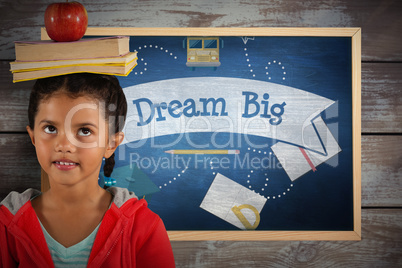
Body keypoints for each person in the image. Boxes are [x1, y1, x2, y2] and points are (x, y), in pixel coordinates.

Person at [0, 73, 176, 267]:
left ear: (111, 144)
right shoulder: (5, 226)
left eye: (85, 131)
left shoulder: (144, 228)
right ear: (33, 137)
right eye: (50, 129)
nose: (64, 145)